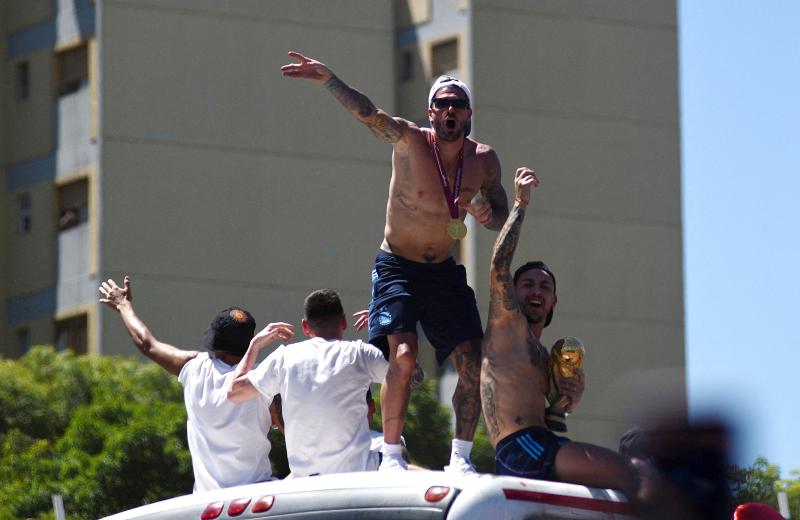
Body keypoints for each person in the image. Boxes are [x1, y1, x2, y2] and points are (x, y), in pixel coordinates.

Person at [282, 51, 510, 473]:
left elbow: (500, 212)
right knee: (403, 356)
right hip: (397, 266)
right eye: (441, 104)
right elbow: (370, 114)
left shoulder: (484, 160)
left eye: (457, 105)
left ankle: (460, 458)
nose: (449, 111)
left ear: (468, 113)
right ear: (430, 112)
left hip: (442, 270)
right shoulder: (409, 140)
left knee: (474, 362)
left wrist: (484, 210)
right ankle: (389, 455)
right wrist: (331, 80)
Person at [480, 168, 647, 502]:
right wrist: (520, 203)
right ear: (513, 292)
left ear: (555, 300)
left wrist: (568, 401)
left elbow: (550, 417)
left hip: (541, 444)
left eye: (545, 286)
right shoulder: (506, 326)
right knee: (632, 474)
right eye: (527, 284)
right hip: (520, 447)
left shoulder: (544, 357)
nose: (536, 290)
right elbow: (499, 264)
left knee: (633, 480)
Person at [98, 276, 290, 492]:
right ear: (249, 343)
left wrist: (124, 305)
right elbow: (291, 432)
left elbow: (146, 344)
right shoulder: (263, 379)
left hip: (207, 503)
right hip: (256, 497)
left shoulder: (193, 367)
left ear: (215, 341)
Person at [227, 289, 389, 477]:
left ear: (305, 326)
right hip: (357, 475)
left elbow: (234, 392)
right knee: (396, 453)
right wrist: (386, 329)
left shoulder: (284, 357)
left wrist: (254, 346)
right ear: (343, 322)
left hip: (305, 481)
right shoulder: (361, 353)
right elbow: (407, 378)